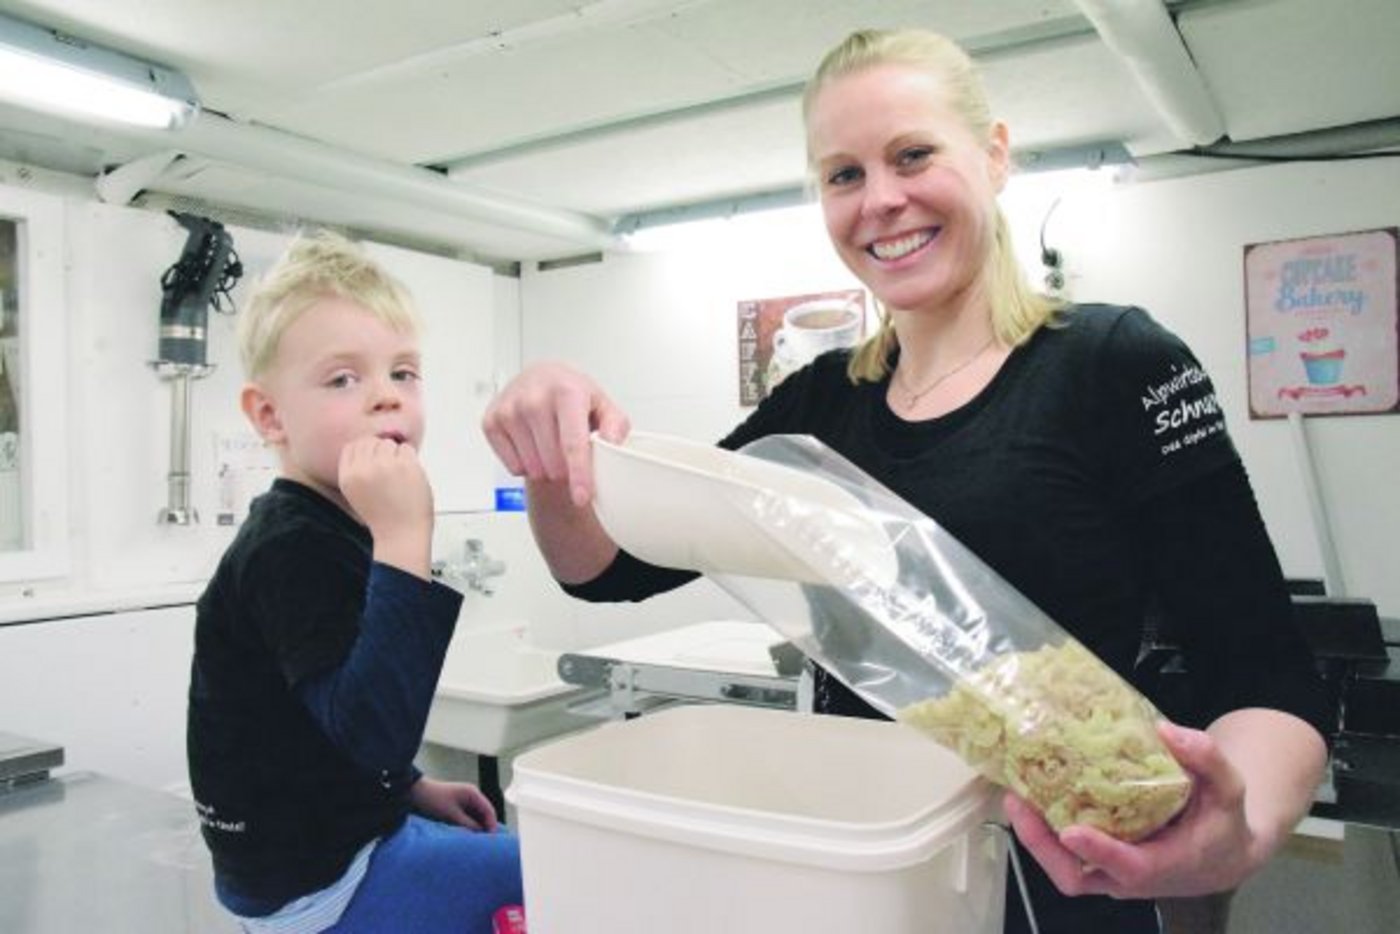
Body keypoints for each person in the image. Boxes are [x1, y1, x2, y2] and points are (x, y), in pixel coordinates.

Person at [481, 27, 1331, 934]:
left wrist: (1233, 840)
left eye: (913, 155)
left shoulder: (1116, 364)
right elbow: (610, 570)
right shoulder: (815, 404)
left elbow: (1267, 673)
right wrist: (555, 453)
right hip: (869, 876)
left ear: (994, 155)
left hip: (1067, 881)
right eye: (844, 174)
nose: (881, 200)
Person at [188, 231, 522, 933]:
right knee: (563, 870)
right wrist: (404, 539)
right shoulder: (290, 546)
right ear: (269, 416)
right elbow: (375, 733)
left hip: (335, 845)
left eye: (403, 373)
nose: (385, 398)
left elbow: (319, 719)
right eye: (343, 379)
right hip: (320, 886)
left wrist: (412, 789)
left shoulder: (327, 527)